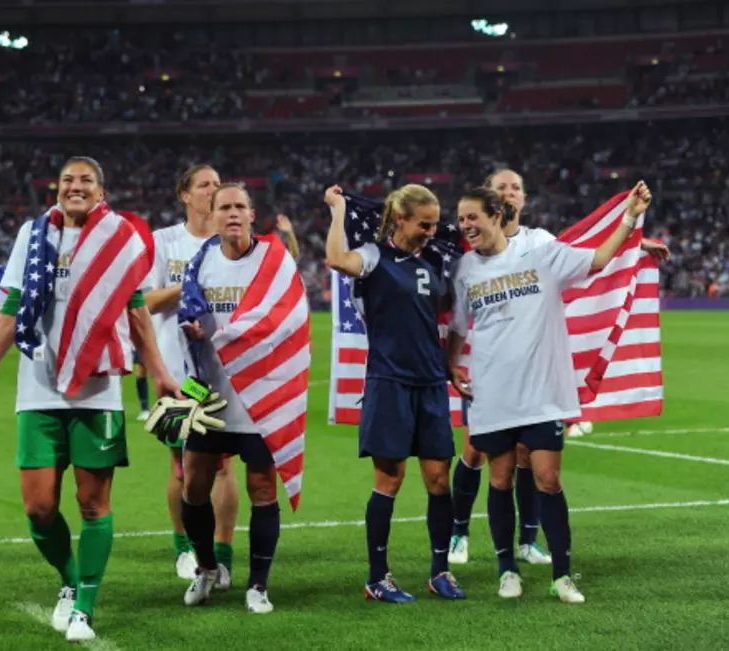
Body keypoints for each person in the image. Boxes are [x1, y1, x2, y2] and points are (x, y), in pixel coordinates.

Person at [0, 156, 180, 642]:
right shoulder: (33, 235)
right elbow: (11, 303)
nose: (76, 186)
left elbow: (136, 307)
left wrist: (158, 372)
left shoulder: (120, 237)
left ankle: (85, 607)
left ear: (101, 189)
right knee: (38, 508)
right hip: (37, 389)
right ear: (56, 187)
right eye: (69, 180)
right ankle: (70, 583)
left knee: (93, 504)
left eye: (86, 180)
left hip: (98, 391)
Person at [448, 168, 670, 566]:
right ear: (489, 201)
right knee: (474, 452)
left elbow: (584, 250)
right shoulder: (471, 251)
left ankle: (527, 541)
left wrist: (635, 242)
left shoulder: (540, 242)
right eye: (501, 187)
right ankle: (459, 532)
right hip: (491, 370)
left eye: (516, 186)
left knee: (525, 456)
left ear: (524, 199)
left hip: (533, 371)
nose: (510, 192)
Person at [324, 183, 465, 603]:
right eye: (424, 223)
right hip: (389, 382)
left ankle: (440, 571)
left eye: (435, 223)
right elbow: (335, 259)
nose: (431, 231)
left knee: (440, 479)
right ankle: (377, 576)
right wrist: (338, 210)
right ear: (400, 218)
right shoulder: (372, 256)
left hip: (430, 383)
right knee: (390, 478)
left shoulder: (434, 262)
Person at [175, 183, 308, 615]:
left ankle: (258, 585)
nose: (232, 213)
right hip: (209, 393)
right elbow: (187, 315)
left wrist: (229, 335)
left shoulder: (274, 259)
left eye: (239, 207)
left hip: (259, 393)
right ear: (211, 216)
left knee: (262, 487)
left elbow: (289, 318)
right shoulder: (200, 264)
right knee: (193, 484)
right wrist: (194, 332)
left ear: (253, 214)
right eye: (224, 207)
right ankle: (208, 568)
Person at [141, 165, 239, 586]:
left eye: (218, 185)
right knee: (181, 465)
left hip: (223, 372)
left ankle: (222, 554)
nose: (213, 191)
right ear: (186, 195)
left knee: (222, 467)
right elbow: (144, 301)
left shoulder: (233, 243)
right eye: (205, 185)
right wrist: (191, 283)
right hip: (174, 372)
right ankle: (184, 547)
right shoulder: (164, 242)